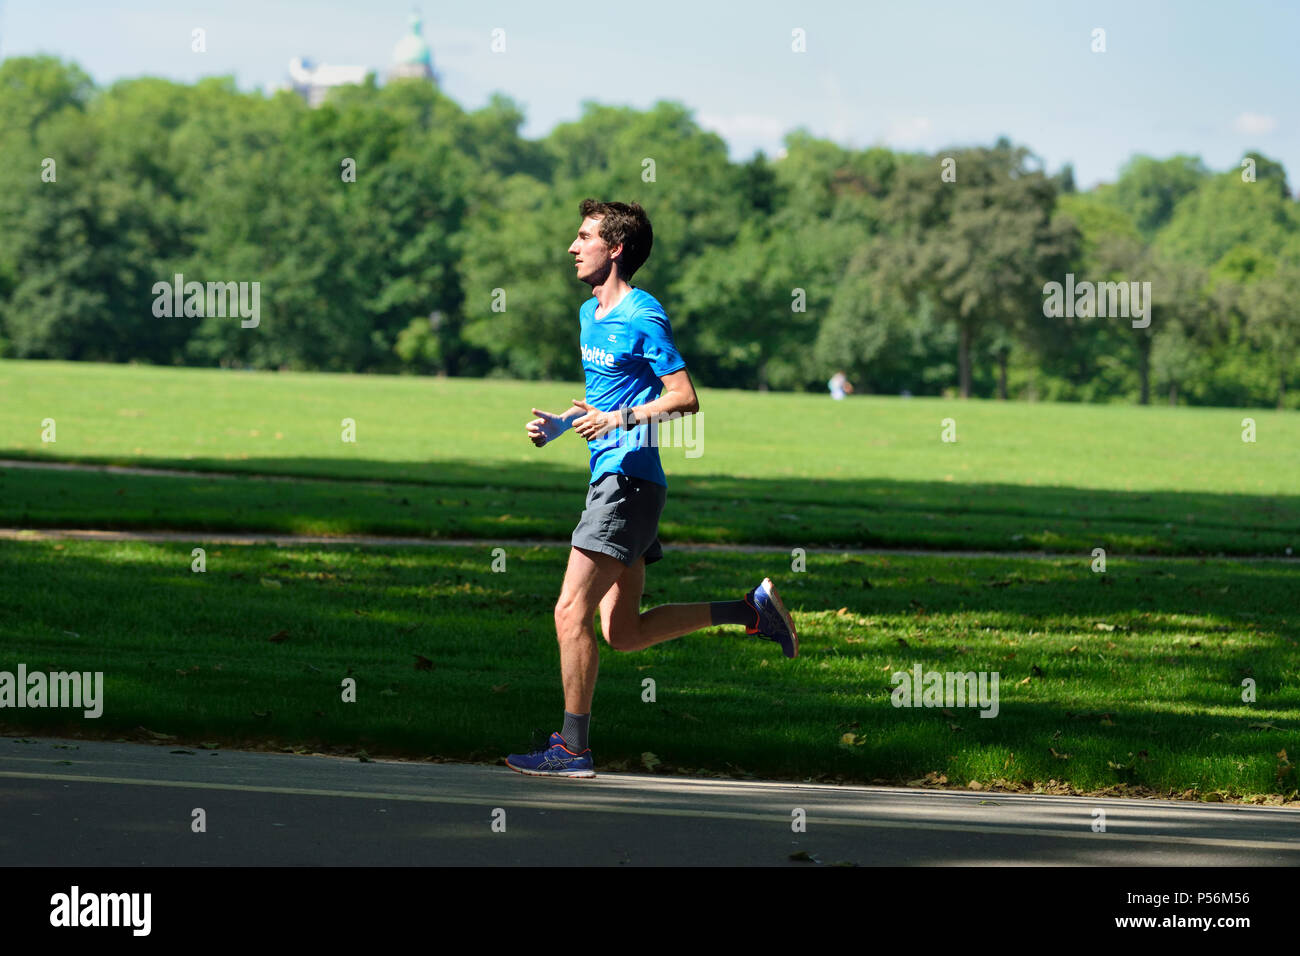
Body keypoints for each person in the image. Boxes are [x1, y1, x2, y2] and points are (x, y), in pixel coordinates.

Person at [506, 199, 799, 778]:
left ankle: (572, 749)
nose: (572, 246)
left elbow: (685, 398)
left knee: (570, 613)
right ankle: (749, 610)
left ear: (614, 249)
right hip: (620, 480)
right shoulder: (591, 312)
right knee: (623, 631)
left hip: (627, 483)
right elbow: (606, 398)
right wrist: (566, 425)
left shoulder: (643, 313)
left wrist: (620, 421)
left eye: (584, 236)